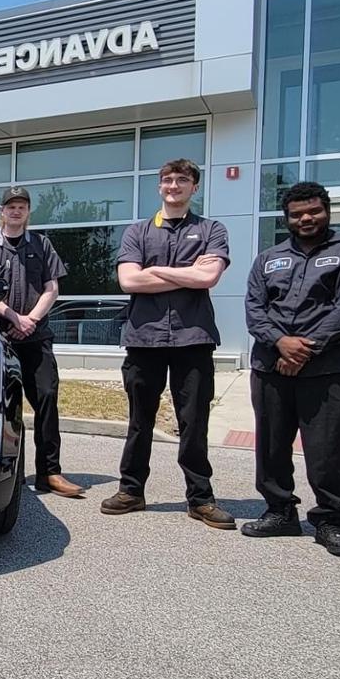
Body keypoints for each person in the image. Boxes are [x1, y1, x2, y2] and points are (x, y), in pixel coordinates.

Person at [101, 158, 236, 527]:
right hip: (144, 339)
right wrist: (188, 274)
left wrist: (156, 271)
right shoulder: (138, 232)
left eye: (182, 180)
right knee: (139, 421)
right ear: (159, 187)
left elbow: (209, 276)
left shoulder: (212, 229)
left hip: (193, 339)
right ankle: (131, 490)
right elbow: (129, 282)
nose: (173, 186)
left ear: (195, 187)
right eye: (167, 180)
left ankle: (200, 499)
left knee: (193, 421)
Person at [242, 181, 340, 557]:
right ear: (287, 218)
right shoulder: (269, 258)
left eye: (313, 211)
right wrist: (280, 343)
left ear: (326, 210)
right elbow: (255, 309)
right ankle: (280, 511)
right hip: (270, 365)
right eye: (297, 214)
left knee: (327, 447)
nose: (306, 218)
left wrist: (302, 349)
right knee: (271, 444)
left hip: (328, 370)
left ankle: (331, 519)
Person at [0, 185, 82, 498]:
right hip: (1, 339)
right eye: (10, 206)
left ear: (28, 212)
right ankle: (8, 473)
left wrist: (30, 321)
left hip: (36, 337)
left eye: (22, 207)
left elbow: (52, 288)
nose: (16, 211)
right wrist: (15, 318)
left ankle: (50, 473)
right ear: (1, 212)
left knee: (47, 397)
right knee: (4, 406)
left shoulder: (42, 245)